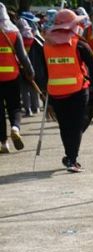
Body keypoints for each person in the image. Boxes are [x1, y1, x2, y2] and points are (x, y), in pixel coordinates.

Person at [42, 9, 93, 172]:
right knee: (76, 125)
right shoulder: (78, 43)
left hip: (55, 92)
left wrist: (45, 94)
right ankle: (72, 159)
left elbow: (45, 72)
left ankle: (69, 156)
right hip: (77, 91)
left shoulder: (46, 45)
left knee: (65, 126)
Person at [0, 2, 34, 153]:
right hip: (12, 76)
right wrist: (31, 71)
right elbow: (23, 56)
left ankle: (3, 143)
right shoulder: (13, 31)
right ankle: (15, 127)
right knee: (14, 106)